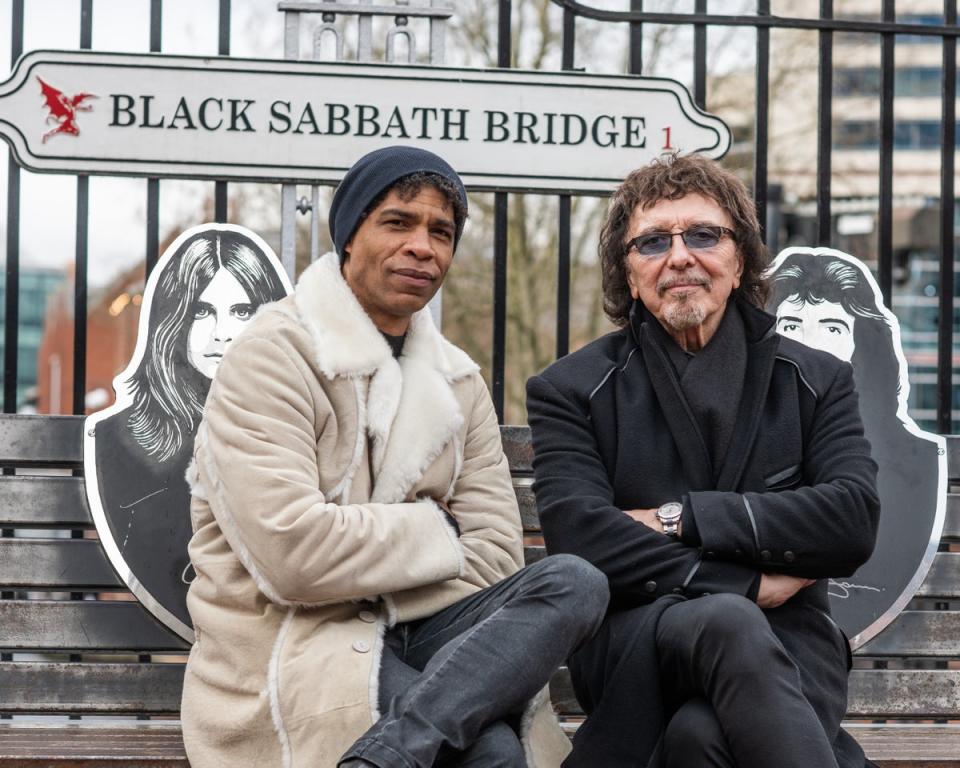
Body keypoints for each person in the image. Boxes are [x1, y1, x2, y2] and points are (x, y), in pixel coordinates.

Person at [181, 146, 608, 768]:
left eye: (442, 231)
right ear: (349, 236)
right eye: (399, 222)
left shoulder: (458, 382)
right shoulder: (273, 354)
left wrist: (360, 550)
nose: (423, 246)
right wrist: (437, 529)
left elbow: (492, 557)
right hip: (297, 644)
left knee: (576, 581)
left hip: (430, 635)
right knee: (489, 752)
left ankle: (387, 755)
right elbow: (292, 555)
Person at [526, 153, 880, 767]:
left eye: (703, 235)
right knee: (727, 620)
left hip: (792, 646)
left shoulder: (817, 379)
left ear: (739, 259)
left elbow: (849, 519)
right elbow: (582, 538)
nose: (680, 256)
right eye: (653, 242)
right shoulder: (571, 389)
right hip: (635, 641)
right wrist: (745, 583)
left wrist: (679, 517)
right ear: (628, 273)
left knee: (699, 737)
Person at [89, 225, 290, 633]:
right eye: (202, 311)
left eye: (242, 311)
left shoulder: (302, 428)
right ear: (173, 318)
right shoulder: (117, 439)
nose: (222, 333)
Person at [768, 248, 943, 645]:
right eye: (791, 326)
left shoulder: (913, 461)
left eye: (832, 329)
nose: (808, 347)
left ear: (861, 344)